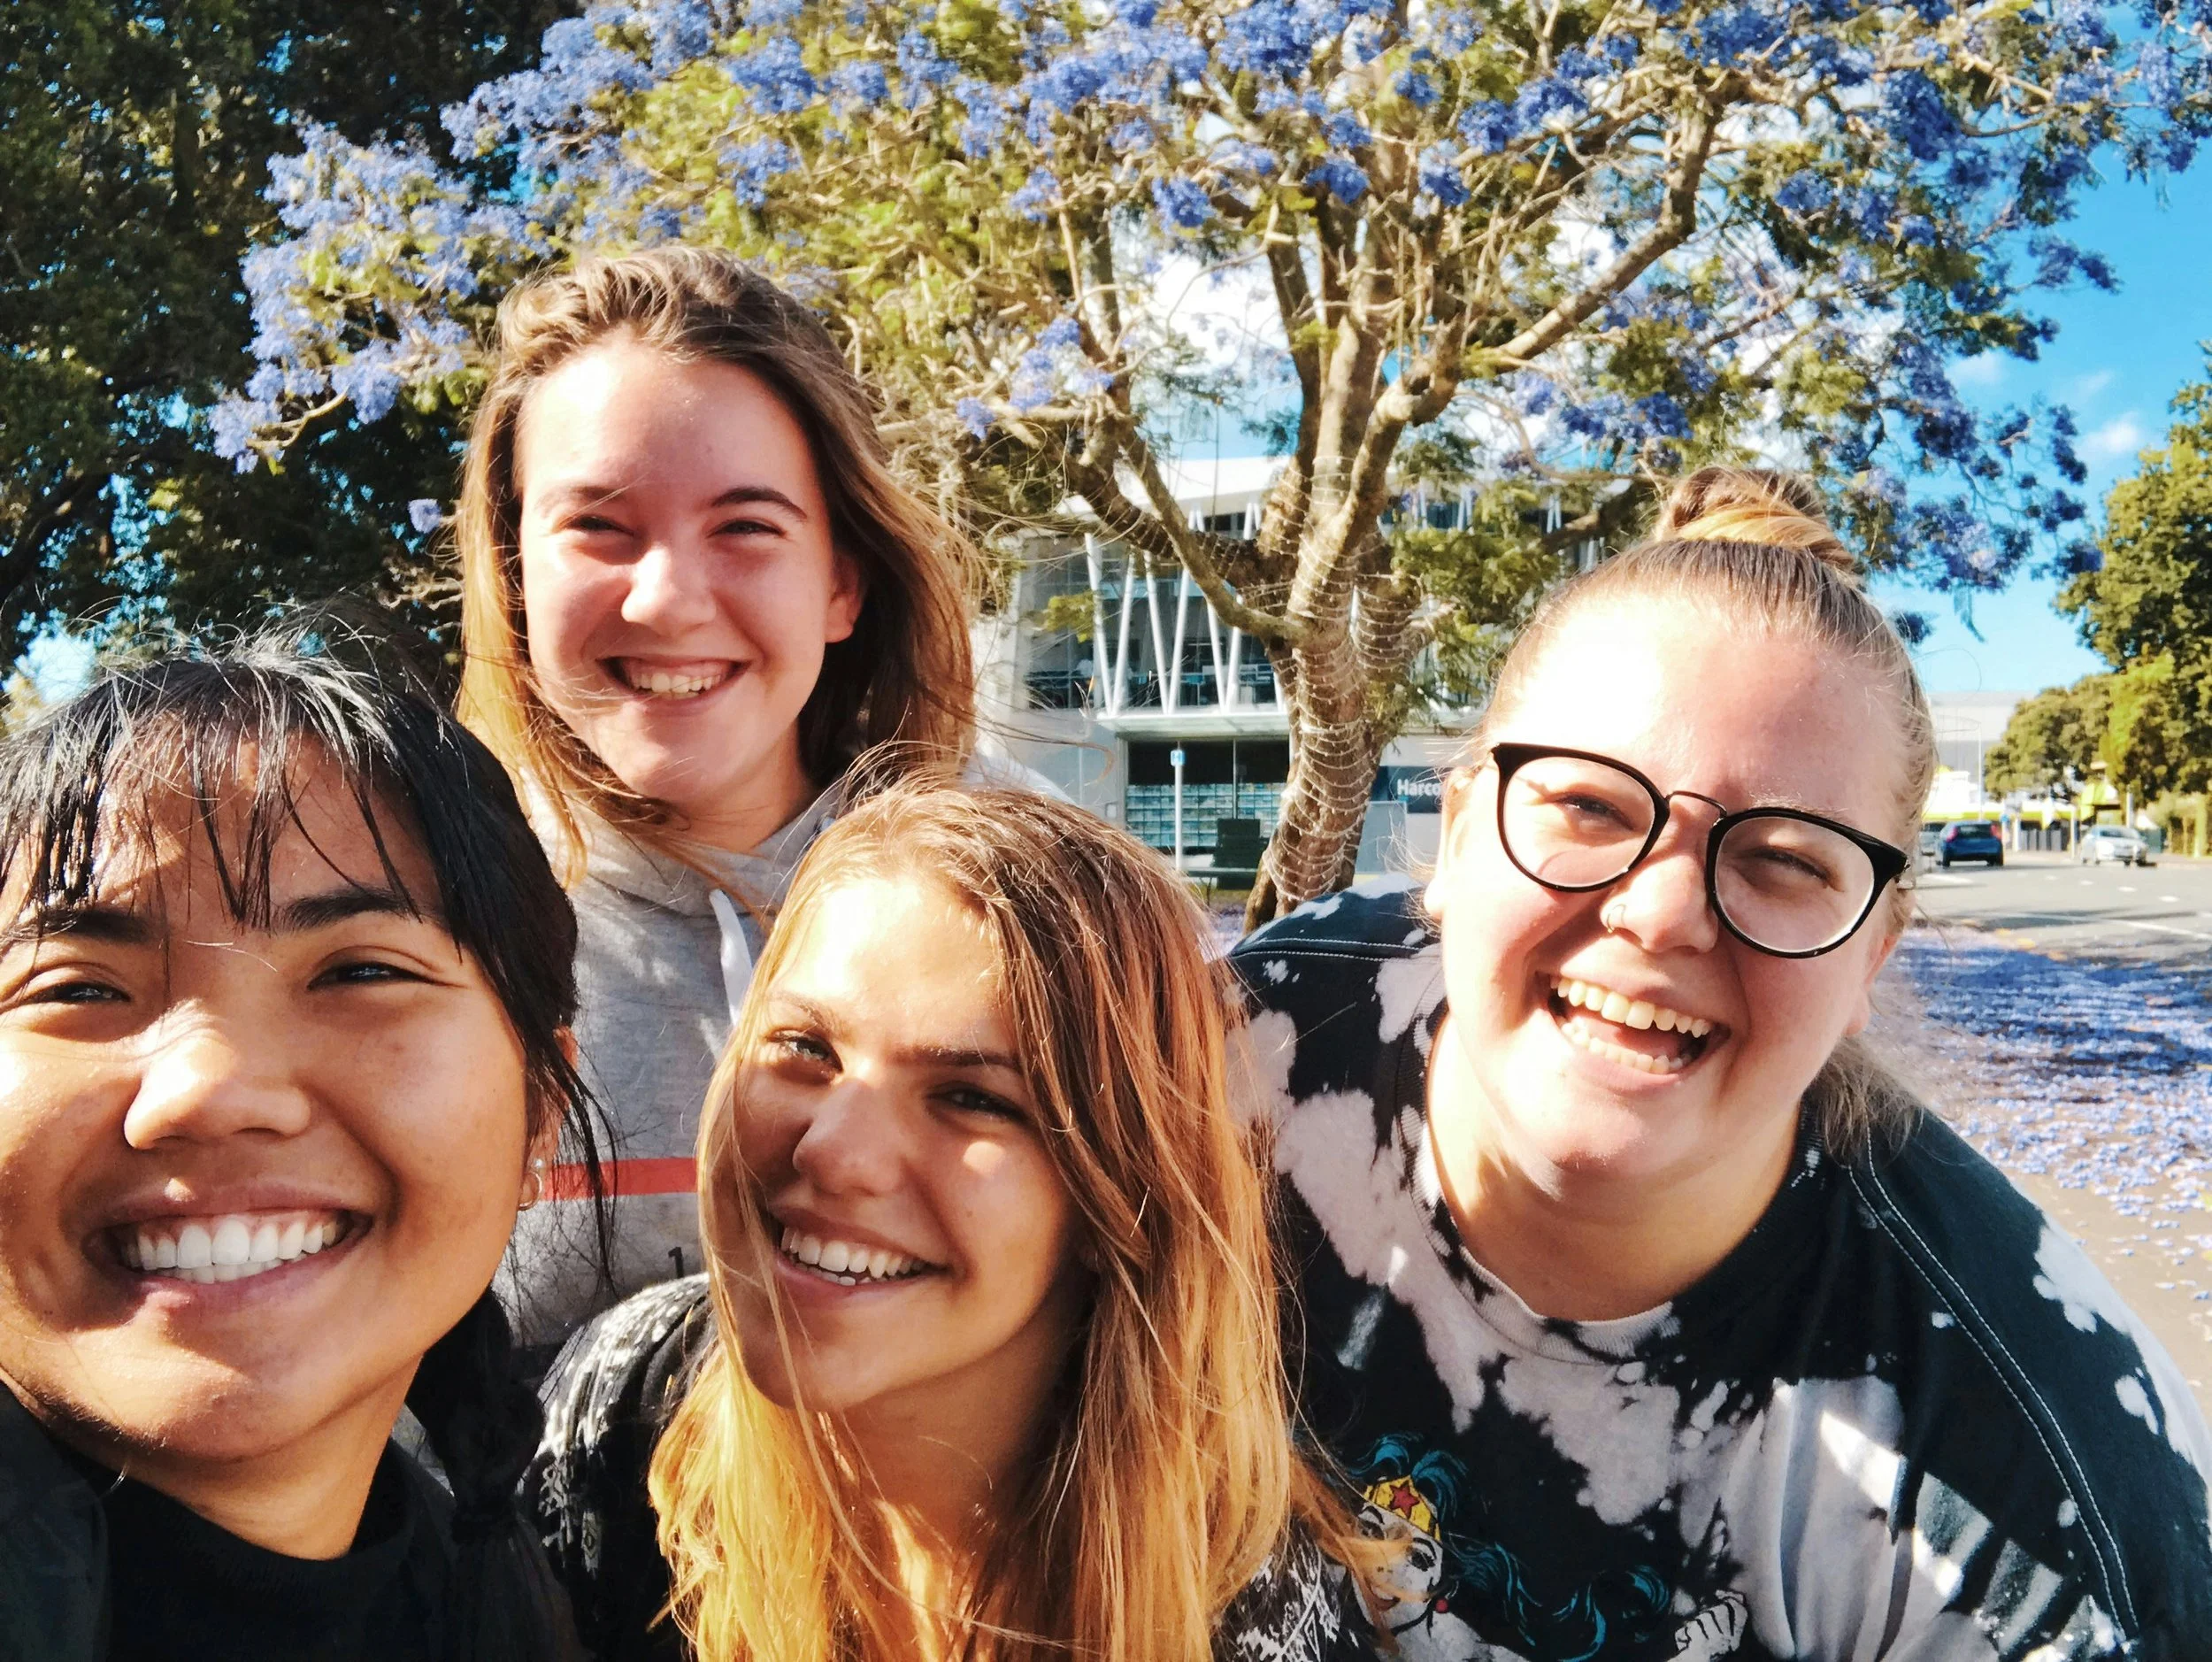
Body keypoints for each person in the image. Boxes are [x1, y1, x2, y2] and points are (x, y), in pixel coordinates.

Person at [1232, 468, 2212, 1660]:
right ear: (1456, 834)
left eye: (1786, 861)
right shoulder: (1248, 1047)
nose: (1662, 912)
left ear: (1873, 955)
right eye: (1589, 806)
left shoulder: (2037, 1531)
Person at [526, 785, 1381, 1661]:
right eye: (803, 1048)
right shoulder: (619, 1407)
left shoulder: (1253, 1620)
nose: (833, 1150)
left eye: (973, 1098)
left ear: (1119, 1195)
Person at [0, 628, 595, 1661]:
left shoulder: (499, 1598)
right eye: (79, 989)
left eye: (360, 973)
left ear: (541, 1104)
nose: (207, 1093)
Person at [452, 247, 985, 1349]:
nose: (669, 600)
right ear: (513, 573)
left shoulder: (1028, 905)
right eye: (598, 527)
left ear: (842, 581)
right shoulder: (416, 921)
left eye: (746, 527)